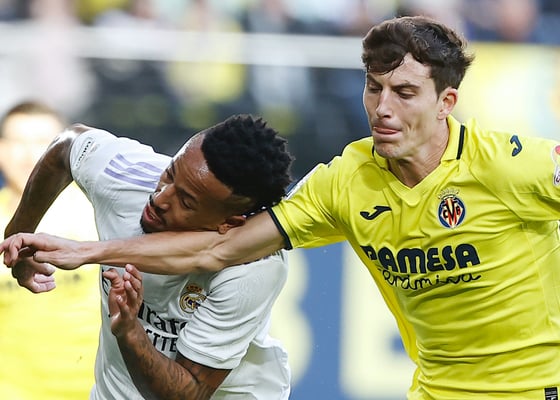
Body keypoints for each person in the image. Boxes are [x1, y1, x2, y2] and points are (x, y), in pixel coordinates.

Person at [3, 15, 560, 399]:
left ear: (446, 102)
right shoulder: (344, 183)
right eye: (373, 88)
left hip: (537, 386)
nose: (382, 108)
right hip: (435, 389)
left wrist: (88, 252)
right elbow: (219, 250)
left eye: (405, 93)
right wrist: (85, 251)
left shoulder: (510, 165)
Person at [4, 114, 293, 399]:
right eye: (170, 173)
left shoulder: (254, 268)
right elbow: (67, 145)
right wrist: (18, 232)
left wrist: (131, 332)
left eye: (186, 202)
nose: (160, 197)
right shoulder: (126, 177)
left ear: (228, 223)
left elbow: (188, 393)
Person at [0, 101, 99, 400]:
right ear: (2, 149)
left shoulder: (98, 212)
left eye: (43, 143)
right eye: (18, 142)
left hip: (93, 389)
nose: (30, 154)